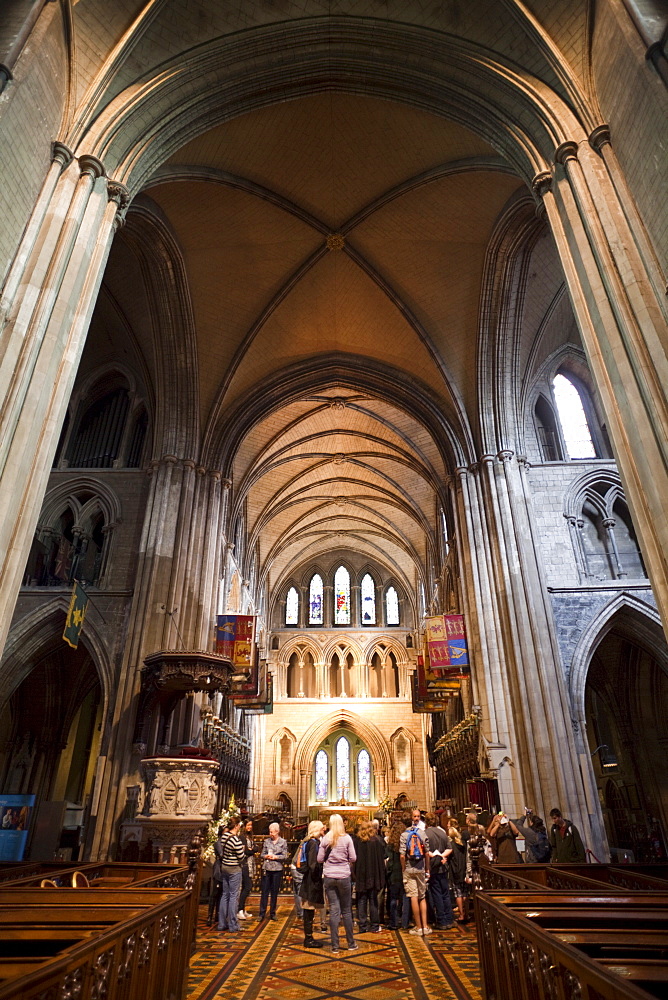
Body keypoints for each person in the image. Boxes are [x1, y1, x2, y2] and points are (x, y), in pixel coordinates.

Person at [318, 813, 357, 954]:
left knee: (334, 910)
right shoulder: (347, 839)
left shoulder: (326, 839)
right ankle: (351, 944)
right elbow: (353, 857)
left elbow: (319, 859)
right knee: (346, 910)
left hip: (329, 876)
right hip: (344, 876)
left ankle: (335, 946)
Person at [400, 807, 431, 936]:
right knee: (422, 896)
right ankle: (425, 926)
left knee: (413, 896)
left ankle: (418, 927)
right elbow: (427, 853)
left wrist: (403, 869)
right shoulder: (422, 833)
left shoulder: (404, 835)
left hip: (409, 868)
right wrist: (427, 868)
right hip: (420, 867)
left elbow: (402, 855)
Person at [214, 816, 246, 933]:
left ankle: (222, 923)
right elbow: (241, 856)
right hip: (234, 869)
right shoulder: (235, 840)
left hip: (225, 867)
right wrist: (242, 851)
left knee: (225, 895)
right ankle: (233, 924)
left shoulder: (224, 837)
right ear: (237, 826)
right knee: (233, 896)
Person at [425, 812, 455, 929]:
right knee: (445, 893)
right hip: (443, 867)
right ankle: (449, 919)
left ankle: (442, 920)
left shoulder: (425, 834)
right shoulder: (442, 832)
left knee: (436, 893)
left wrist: (436, 856)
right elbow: (449, 848)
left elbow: (426, 851)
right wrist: (442, 856)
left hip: (433, 867)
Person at [354, 820, 386, 932]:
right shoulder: (376, 841)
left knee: (362, 900)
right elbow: (381, 859)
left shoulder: (358, 841)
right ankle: (375, 925)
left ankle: (362, 926)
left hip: (361, 874)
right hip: (373, 874)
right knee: (373, 900)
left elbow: (354, 859)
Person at [299, 819, 326, 948]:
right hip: (311, 880)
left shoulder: (310, 842)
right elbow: (312, 864)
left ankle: (309, 937)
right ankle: (308, 939)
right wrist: (319, 875)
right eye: (321, 828)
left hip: (309, 879)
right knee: (308, 909)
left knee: (309, 910)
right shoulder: (313, 843)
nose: (324, 829)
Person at [259, 822, 288, 920]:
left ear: (277, 832)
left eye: (272, 832)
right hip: (267, 868)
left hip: (277, 869)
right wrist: (265, 856)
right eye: (270, 832)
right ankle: (261, 913)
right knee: (264, 891)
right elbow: (262, 854)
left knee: (274, 892)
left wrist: (276, 857)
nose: (271, 834)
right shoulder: (267, 841)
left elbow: (285, 856)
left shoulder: (283, 842)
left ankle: (272, 912)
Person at [385, 820, 406, 930]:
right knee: (403, 897)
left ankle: (393, 922)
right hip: (404, 871)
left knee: (393, 898)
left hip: (393, 873)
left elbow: (388, 859)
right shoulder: (405, 842)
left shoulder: (390, 844)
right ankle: (403, 920)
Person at [447, 819, 468, 922]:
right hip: (463, 869)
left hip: (455, 870)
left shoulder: (451, 845)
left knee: (458, 893)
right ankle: (465, 911)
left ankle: (461, 914)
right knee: (464, 892)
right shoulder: (463, 843)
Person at [237, 818, 255, 919]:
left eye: (251, 825)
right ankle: (239, 909)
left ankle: (243, 909)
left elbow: (255, 847)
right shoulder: (242, 837)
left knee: (246, 887)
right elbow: (246, 852)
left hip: (250, 863)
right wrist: (251, 850)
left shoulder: (249, 836)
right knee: (247, 886)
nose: (250, 827)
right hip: (244, 864)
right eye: (248, 825)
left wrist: (252, 849)